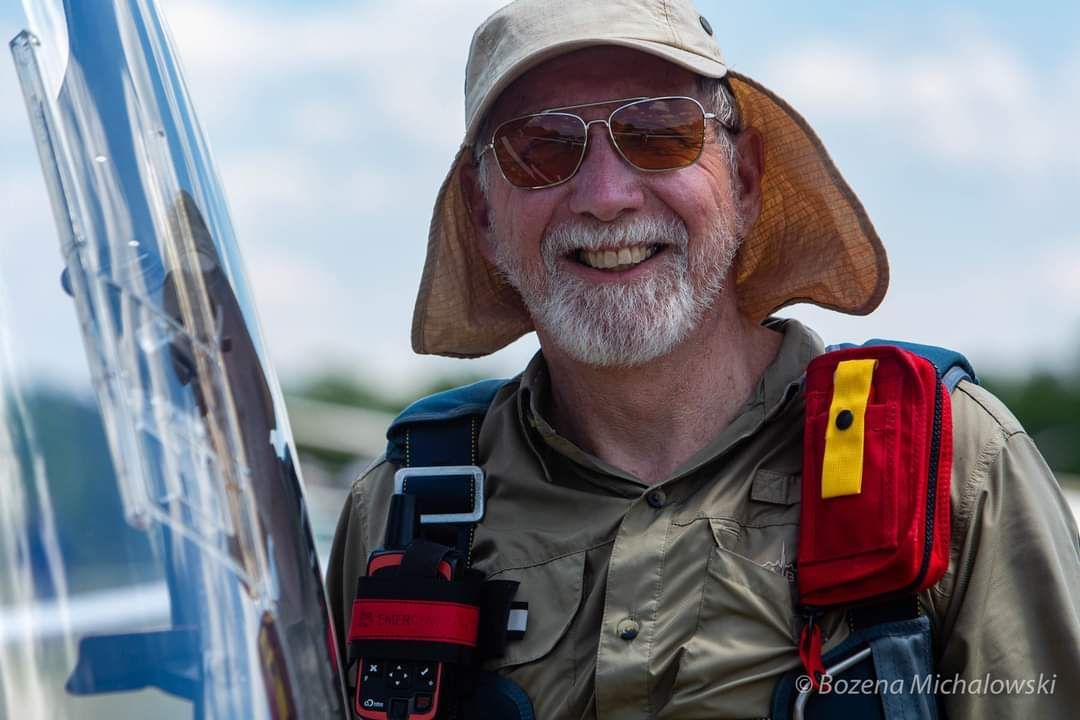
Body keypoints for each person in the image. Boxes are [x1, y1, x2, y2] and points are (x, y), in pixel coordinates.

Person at [327, 1, 1080, 718]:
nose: (605, 196)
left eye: (659, 134)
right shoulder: (398, 510)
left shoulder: (948, 464)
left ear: (744, 179)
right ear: (483, 212)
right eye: (542, 148)